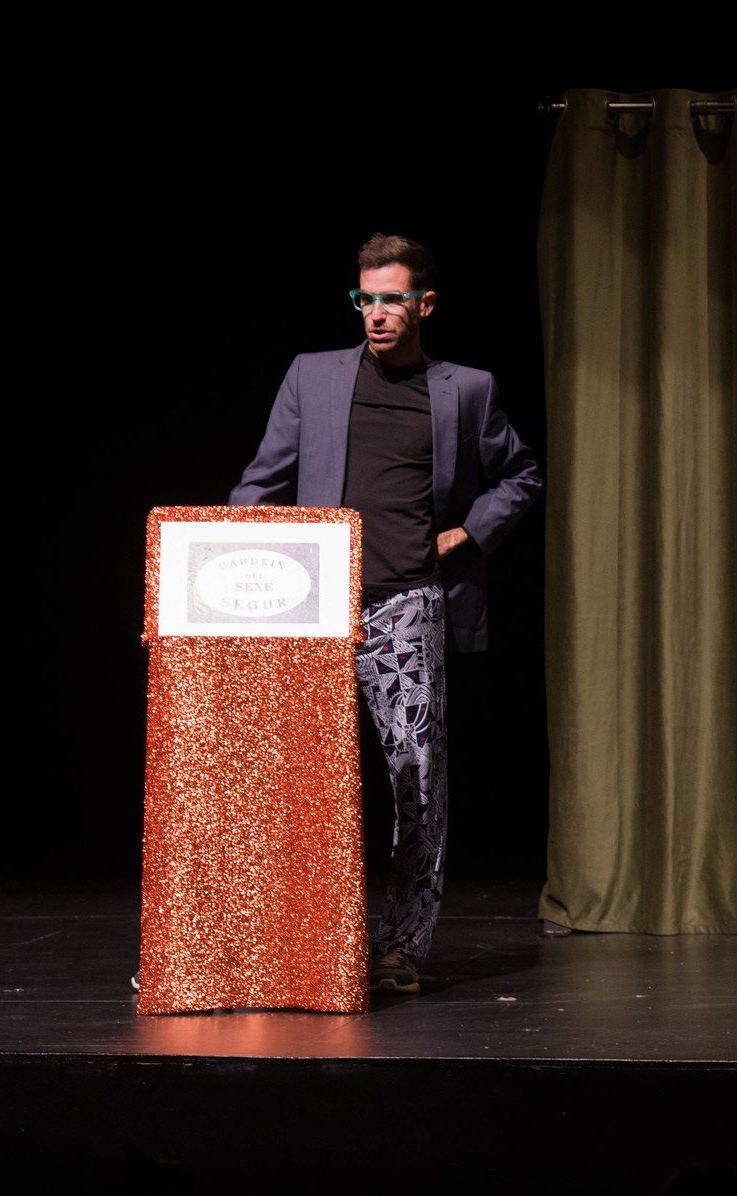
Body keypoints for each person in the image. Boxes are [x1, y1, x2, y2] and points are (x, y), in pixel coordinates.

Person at [231, 233, 543, 994]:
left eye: (391, 299)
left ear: (423, 305)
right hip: (312, 609)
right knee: (300, 781)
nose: (375, 313)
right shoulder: (313, 376)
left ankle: (400, 944)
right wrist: (230, 562)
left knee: (416, 777)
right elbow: (260, 483)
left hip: (406, 603)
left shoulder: (464, 389)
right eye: (364, 298)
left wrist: (468, 531)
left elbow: (522, 473)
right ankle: (298, 937)